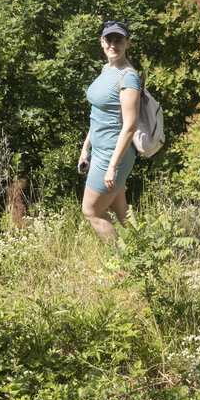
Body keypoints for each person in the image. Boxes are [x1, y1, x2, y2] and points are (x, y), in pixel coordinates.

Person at [77, 20, 141, 239]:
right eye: (109, 39)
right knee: (120, 213)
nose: (113, 44)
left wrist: (112, 166)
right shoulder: (107, 69)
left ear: (128, 43)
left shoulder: (128, 77)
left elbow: (130, 126)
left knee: (92, 211)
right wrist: (86, 148)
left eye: (119, 40)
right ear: (102, 42)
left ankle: (123, 268)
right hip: (100, 151)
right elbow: (98, 115)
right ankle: (143, 257)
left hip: (113, 155)